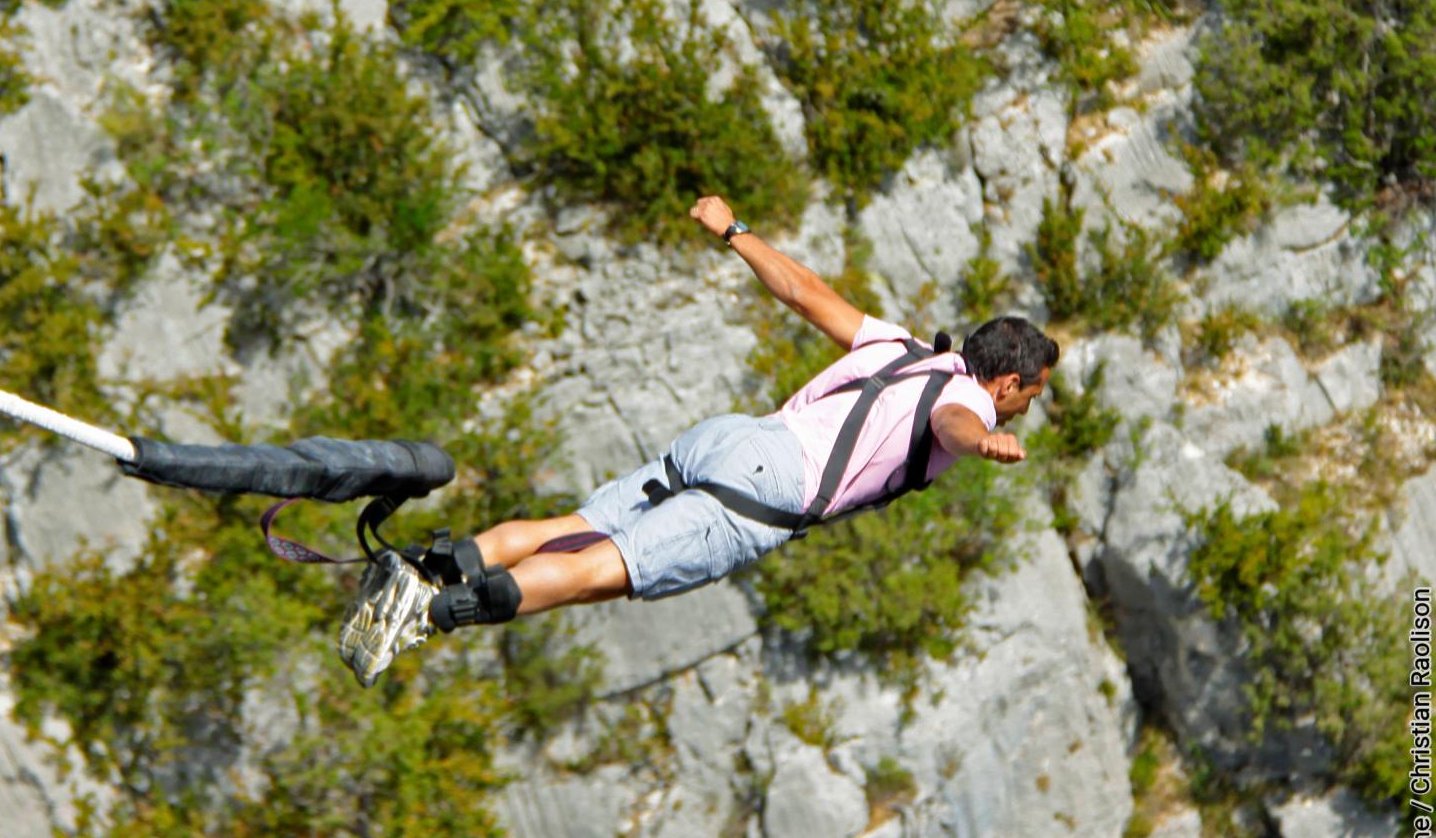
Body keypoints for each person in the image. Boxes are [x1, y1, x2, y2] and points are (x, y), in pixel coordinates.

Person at [338, 195, 1058, 685]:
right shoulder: (971, 403)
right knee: (597, 571)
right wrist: (983, 442)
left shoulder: (898, 346)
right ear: (1007, 383)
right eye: (1031, 395)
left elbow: (804, 292)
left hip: (732, 439)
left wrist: (732, 229)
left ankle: (430, 565)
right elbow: (952, 424)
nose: (1027, 409)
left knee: (579, 532)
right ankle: (425, 613)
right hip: (765, 491)